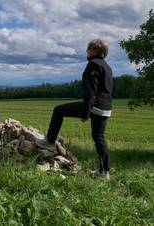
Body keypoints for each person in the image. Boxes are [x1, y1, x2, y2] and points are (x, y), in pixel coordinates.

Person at [36, 39, 113, 180]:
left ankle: (50, 141)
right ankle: (104, 173)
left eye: (88, 48)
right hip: (106, 108)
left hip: (94, 106)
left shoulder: (93, 64)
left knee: (58, 110)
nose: (86, 51)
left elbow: (91, 90)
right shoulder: (107, 66)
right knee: (99, 138)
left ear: (95, 50)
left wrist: (86, 112)